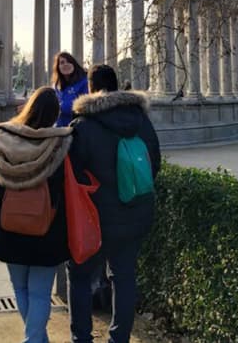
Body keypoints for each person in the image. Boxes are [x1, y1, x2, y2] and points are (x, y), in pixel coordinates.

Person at [67, 64, 161, 343]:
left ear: (90, 88)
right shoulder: (141, 121)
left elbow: (72, 174)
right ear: (118, 85)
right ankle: (119, 339)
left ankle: (81, 338)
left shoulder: (83, 125)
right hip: (134, 214)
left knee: (80, 277)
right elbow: (154, 162)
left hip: (93, 218)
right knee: (124, 276)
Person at [0, 87, 73, 343]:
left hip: (11, 225)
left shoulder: (5, 137)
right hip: (46, 227)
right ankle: (35, 339)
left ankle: (35, 339)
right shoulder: (61, 142)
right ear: (55, 113)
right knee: (40, 293)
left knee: (20, 288)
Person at [52, 52, 88, 127]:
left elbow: (84, 107)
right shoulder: (56, 86)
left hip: (77, 128)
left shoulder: (84, 82)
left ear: (74, 64)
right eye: (62, 62)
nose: (65, 64)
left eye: (69, 61)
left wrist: (60, 108)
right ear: (58, 67)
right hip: (58, 129)